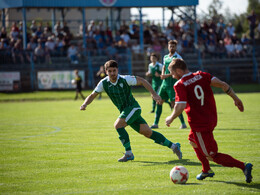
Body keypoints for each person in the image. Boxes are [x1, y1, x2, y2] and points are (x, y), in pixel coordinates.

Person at [165, 58, 253, 183]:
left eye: (173, 73)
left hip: (200, 124)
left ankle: (244, 166)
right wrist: (236, 98)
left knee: (212, 155)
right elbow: (223, 84)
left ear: (178, 70)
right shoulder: (201, 75)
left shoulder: (180, 84)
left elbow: (180, 106)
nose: (173, 76)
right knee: (192, 140)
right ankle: (206, 170)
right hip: (211, 118)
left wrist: (170, 118)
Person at [80, 60, 182, 162]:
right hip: (126, 111)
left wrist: (154, 94)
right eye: (110, 71)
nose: (112, 73)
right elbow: (92, 95)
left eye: (114, 71)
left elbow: (142, 81)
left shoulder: (125, 79)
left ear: (117, 70)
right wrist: (85, 104)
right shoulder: (103, 83)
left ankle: (128, 153)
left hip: (133, 108)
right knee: (147, 132)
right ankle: (174, 146)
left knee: (118, 125)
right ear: (106, 71)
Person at [150, 40, 187, 129]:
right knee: (159, 101)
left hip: (172, 84)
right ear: (168, 47)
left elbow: (179, 72)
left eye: (173, 46)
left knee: (174, 104)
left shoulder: (178, 58)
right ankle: (155, 123)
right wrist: (162, 74)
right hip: (164, 84)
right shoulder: (166, 57)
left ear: (176, 47)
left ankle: (183, 124)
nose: (171, 48)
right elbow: (164, 67)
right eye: (170, 46)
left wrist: (167, 75)